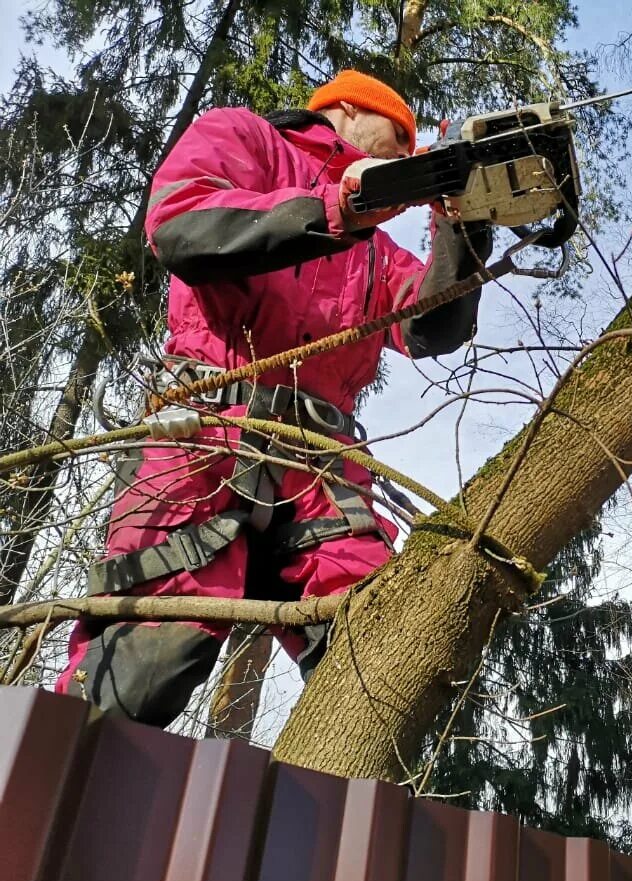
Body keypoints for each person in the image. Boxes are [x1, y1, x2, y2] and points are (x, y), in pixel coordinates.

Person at [55, 70, 492, 727]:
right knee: (145, 662)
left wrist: (466, 225)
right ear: (347, 111)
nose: (406, 158)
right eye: (399, 140)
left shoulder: (380, 252)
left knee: (376, 655)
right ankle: (44, 800)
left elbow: (435, 325)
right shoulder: (245, 139)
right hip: (203, 433)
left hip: (322, 462)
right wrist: (332, 212)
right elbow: (182, 227)